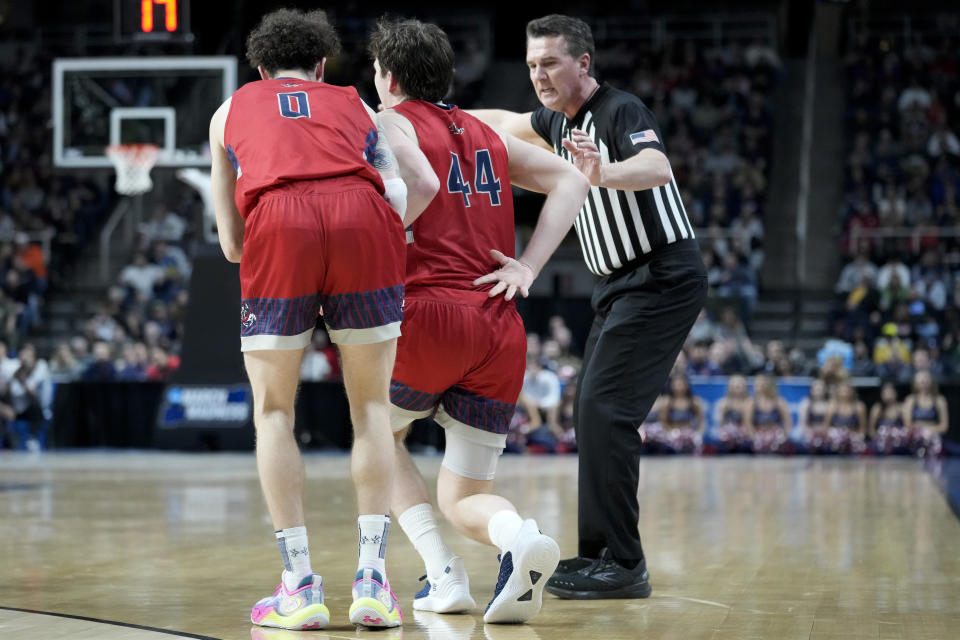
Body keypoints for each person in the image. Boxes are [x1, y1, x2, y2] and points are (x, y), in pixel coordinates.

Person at [208, 9, 438, 631]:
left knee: (275, 411)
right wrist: (381, 232)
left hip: (279, 223)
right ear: (319, 65)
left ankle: (299, 585)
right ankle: (372, 582)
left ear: (259, 68)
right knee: (370, 410)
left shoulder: (230, 111)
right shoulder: (354, 104)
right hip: (363, 217)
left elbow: (230, 242)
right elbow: (411, 182)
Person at [472, 14, 707, 599]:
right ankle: (600, 554)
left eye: (549, 62)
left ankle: (626, 564)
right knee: (592, 413)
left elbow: (657, 167)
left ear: (583, 63)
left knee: (606, 409)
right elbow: (500, 121)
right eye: (531, 65)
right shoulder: (554, 123)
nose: (539, 75)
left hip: (661, 276)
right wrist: (430, 115)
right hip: (617, 287)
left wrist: (604, 172)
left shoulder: (622, 111)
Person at [368, 17, 589, 623]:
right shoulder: (483, 130)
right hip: (498, 322)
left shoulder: (388, 120)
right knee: (465, 494)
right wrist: (528, 268)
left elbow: (420, 180)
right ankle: (518, 538)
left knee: (374, 434)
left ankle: (444, 575)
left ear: (387, 78)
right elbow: (571, 179)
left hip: (426, 314)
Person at [903, 370, 948, 457]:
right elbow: (907, 424)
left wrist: (928, 430)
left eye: (926, 378)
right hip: (915, 438)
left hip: (933, 437)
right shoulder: (910, 400)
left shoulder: (940, 400)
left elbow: (944, 426)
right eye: (920, 380)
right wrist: (922, 430)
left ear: (931, 381)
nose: (923, 381)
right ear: (915, 383)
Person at [656, 373, 703, 453]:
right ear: (671, 386)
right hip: (672, 437)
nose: (678, 388)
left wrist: (698, 435)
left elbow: (701, 421)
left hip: (690, 435)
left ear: (686, 385)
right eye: (676, 385)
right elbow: (663, 422)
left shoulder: (694, 402)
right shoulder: (667, 402)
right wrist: (673, 433)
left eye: (681, 385)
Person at [749, 374, 792, 454]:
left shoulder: (779, 401)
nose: (756, 387)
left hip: (776, 434)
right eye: (756, 384)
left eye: (760, 384)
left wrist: (784, 436)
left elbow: (788, 421)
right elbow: (748, 423)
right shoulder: (751, 402)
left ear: (767, 385)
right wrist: (754, 438)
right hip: (758, 434)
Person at [823, 379, 868, 454]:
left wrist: (857, 438)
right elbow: (826, 427)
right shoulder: (831, 406)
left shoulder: (859, 407)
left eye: (847, 390)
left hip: (854, 440)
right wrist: (833, 439)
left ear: (852, 391)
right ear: (837, 392)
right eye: (842, 390)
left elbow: (863, 428)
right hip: (834, 441)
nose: (844, 393)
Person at [714, 374, 752, 452]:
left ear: (745, 388)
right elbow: (720, 422)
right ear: (729, 388)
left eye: (739, 386)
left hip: (745, 435)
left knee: (746, 446)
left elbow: (749, 423)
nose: (737, 389)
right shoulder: (724, 403)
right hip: (728, 434)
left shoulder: (750, 402)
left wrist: (744, 433)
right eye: (734, 386)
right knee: (721, 446)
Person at [870, 381, 906, 454]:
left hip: (898, 443)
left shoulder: (901, 408)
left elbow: (906, 427)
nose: (888, 396)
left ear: (895, 393)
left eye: (890, 393)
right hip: (880, 442)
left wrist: (898, 439)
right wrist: (879, 439)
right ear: (881, 395)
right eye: (886, 393)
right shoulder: (877, 408)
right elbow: (871, 429)